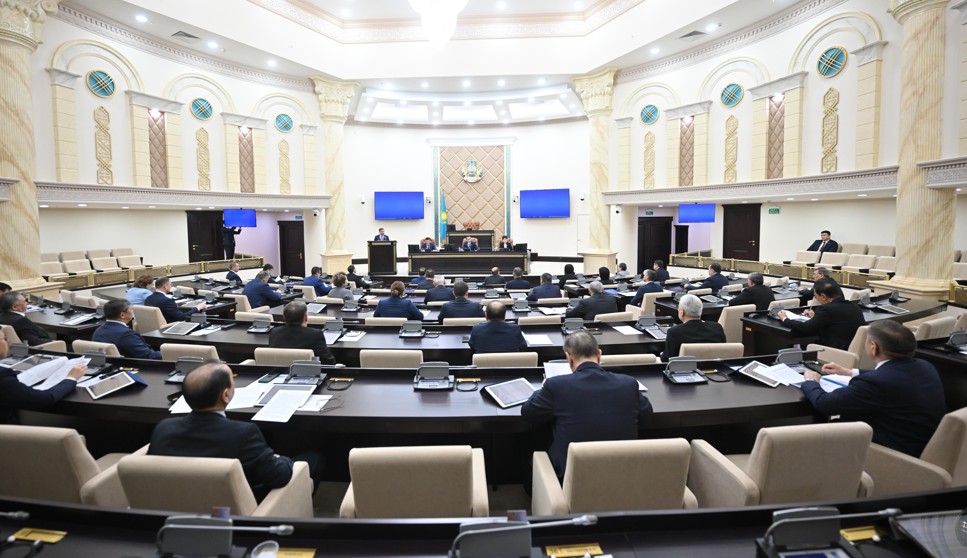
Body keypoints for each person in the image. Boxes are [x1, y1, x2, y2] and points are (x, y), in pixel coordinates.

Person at [149, 363, 323, 501]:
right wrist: (280, 458)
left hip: (177, 502)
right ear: (225, 395)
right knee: (315, 458)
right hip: (240, 507)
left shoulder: (164, 428)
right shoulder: (243, 433)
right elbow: (279, 476)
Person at [799, 320, 944, 457]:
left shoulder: (875, 383)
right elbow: (892, 375)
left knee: (807, 434)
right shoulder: (926, 366)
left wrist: (810, 381)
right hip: (918, 443)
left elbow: (825, 403)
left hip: (887, 453)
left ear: (873, 347)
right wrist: (849, 372)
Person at [521, 331, 653, 479]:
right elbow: (647, 415)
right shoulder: (628, 383)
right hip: (623, 476)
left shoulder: (556, 385)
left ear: (569, 358)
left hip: (571, 479)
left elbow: (529, 413)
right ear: (599, 354)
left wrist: (542, 389)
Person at [0, 331, 86, 424]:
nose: (7, 342)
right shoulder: (3, 375)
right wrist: (71, 378)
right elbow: (44, 399)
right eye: (5, 339)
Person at [778, 278, 865, 350]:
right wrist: (816, 317)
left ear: (823, 296)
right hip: (849, 351)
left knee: (791, 347)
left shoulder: (827, 309)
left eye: (816, 297)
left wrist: (784, 318)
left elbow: (806, 327)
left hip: (832, 351)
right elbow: (836, 321)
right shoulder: (854, 306)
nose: (817, 299)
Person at [268, 301, 336, 364]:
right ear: (305, 317)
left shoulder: (274, 332)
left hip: (279, 370)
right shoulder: (315, 334)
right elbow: (328, 361)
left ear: (284, 317)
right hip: (307, 371)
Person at [662, 294, 726, 361]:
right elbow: (724, 353)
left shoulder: (674, 332)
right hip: (715, 366)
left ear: (681, 312)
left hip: (686, 367)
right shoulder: (717, 327)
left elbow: (667, 360)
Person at [91, 299, 162, 359]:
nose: (132, 312)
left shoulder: (98, 330)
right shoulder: (127, 334)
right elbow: (148, 356)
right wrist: (167, 353)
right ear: (122, 315)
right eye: (131, 310)